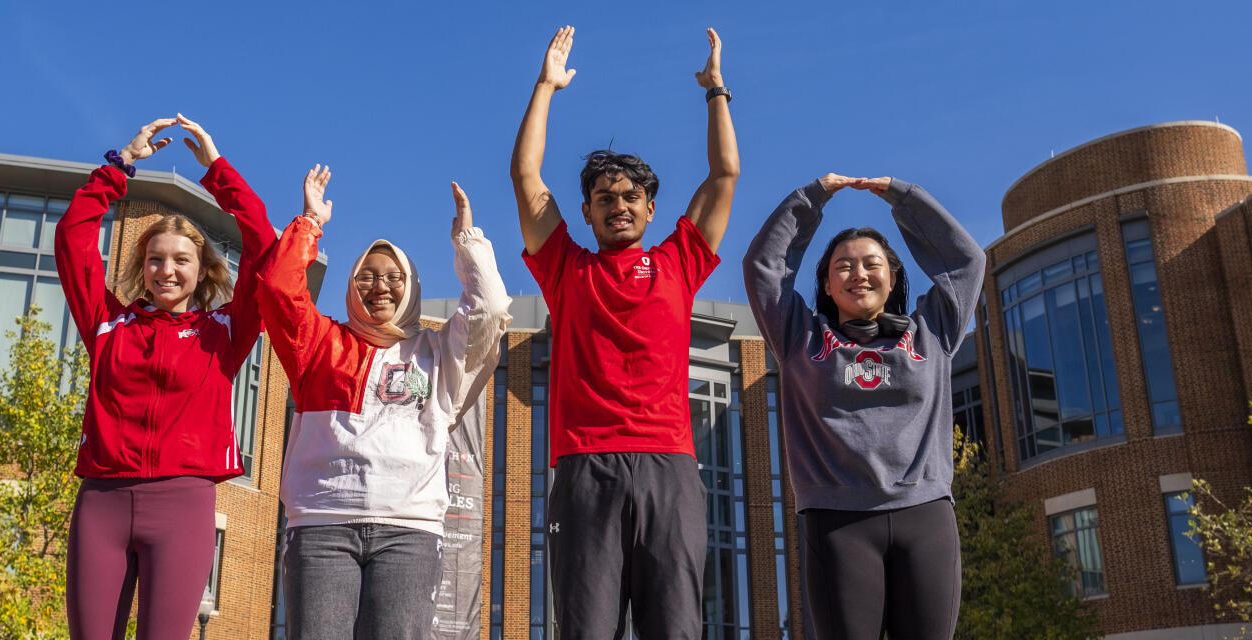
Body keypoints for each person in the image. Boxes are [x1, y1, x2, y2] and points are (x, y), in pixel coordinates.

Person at [508, 25, 740, 639]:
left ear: (651, 208)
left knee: (676, 627)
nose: (619, 204)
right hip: (585, 467)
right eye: (605, 196)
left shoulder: (678, 262)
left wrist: (717, 91)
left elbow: (724, 177)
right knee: (587, 629)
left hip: (669, 465)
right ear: (585, 210)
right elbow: (526, 177)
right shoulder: (566, 268)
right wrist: (546, 86)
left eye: (633, 196)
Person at [258, 165, 512, 640]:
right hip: (321, 524)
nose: (380, 286)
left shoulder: (440, 353)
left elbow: (493, 309)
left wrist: (467, 242)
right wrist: (309, 223)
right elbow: (277, 287)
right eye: (366, 278)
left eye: (394, 276)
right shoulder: (317, 343)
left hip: (409, 532)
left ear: (412, 285)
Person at [54, 116, 274, 640]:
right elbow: (73, 236)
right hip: (102, 501)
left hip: (184, 505)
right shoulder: (107, 324)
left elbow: (264, 245)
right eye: (155, 260)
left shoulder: (224, 330)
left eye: (181, 259)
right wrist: (120, 166)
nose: (166, 270)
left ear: (203, 271)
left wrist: (217, 169)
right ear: (143, 267)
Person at [741, 173, 987, 639]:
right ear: (827, 285)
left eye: (871, 264)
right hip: (837, 522)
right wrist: (812, 197)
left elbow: (965, 260)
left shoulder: (934, 329)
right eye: (844, 267)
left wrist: (902, 197)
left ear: (891, 278)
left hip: (926, 514)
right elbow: (764, 266)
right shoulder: (799, 336)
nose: (859, 274)